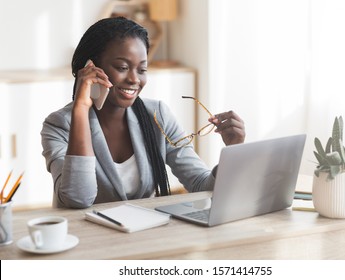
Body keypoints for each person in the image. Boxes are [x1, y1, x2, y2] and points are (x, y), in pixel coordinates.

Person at [41, 17, 245, 208]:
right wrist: (81, 110)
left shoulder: (157, 115)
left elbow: (201, 185)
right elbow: (78, 198)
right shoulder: (59, 125)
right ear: (89, 68)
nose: (134, 79)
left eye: (142, 70)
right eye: (122, 67)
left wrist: (233, 152)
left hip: (143, 237)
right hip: (87, 241)